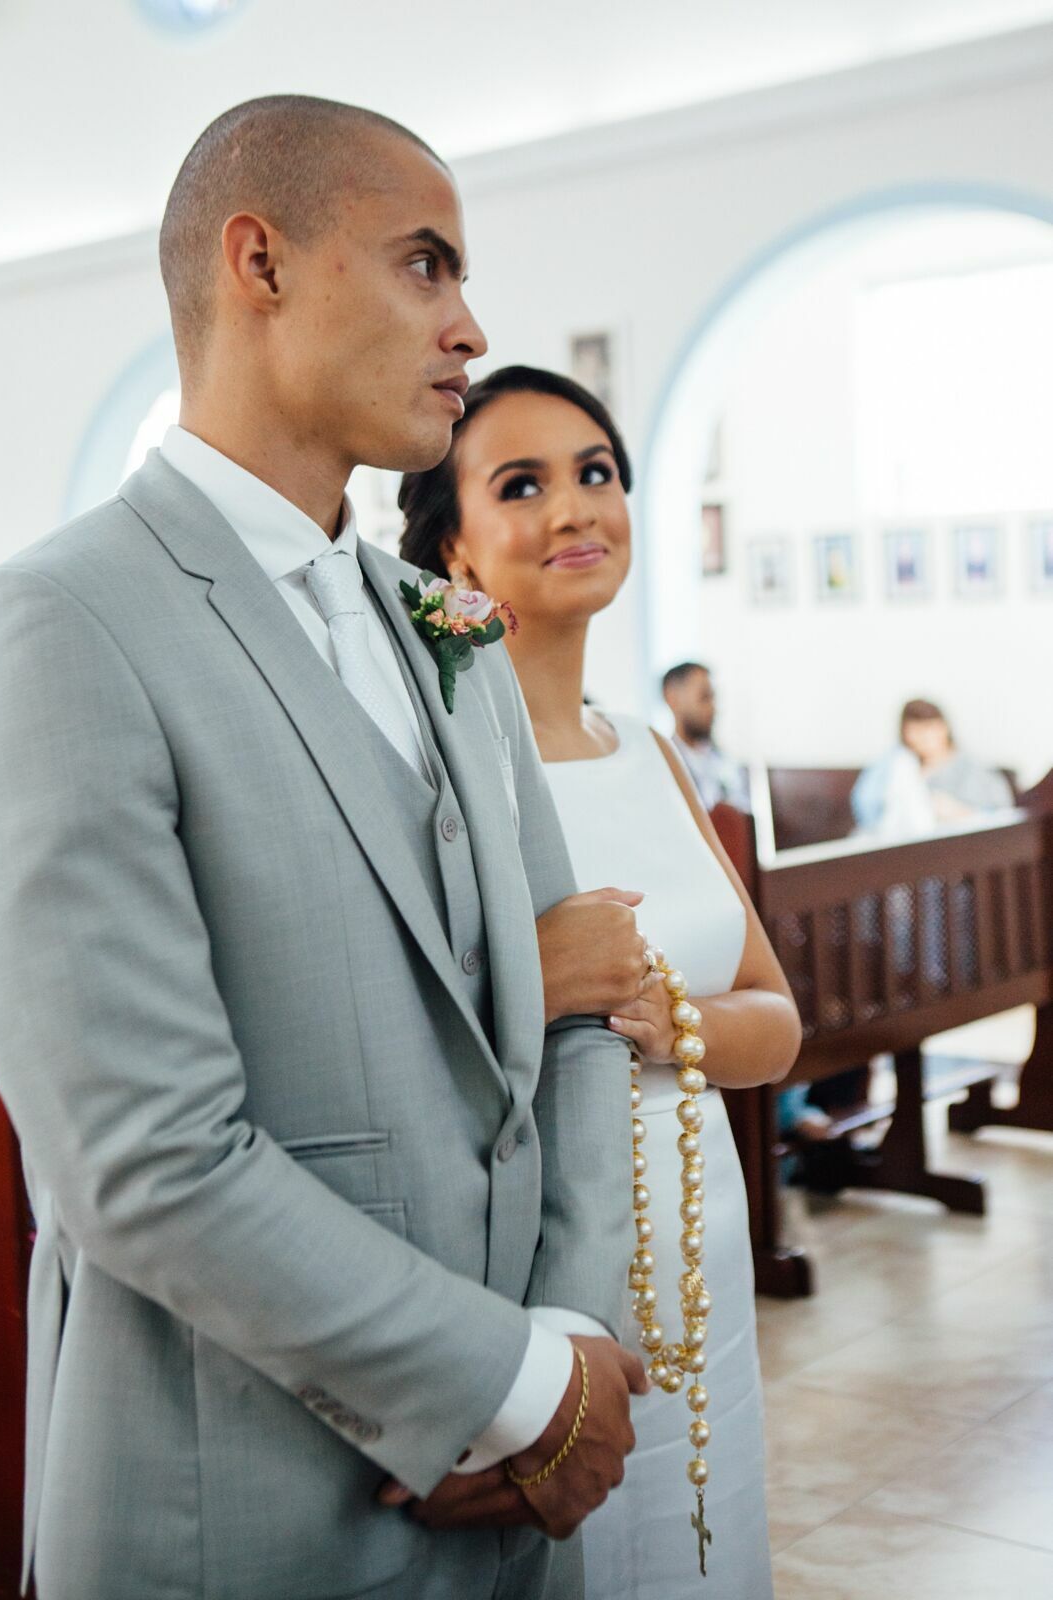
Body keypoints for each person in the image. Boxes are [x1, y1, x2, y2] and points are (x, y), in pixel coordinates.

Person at [0, 100, 652, 1600]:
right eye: (426, 265)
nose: (470, 326)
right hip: (243, 1502)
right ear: (259, 261)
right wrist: (506, 1385)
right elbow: (137, 1155)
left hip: (516, 1501)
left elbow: (587, 1003)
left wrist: (570, 1340)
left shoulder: (444, 623)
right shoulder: (62, 625)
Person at [399, 365, 802, 1600]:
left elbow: (777, 1023)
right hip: (546, 1265)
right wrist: (550, 987)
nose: (575, 508)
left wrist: (662, 1018)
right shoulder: (428, 772)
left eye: (596, 473)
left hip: (704, 1240)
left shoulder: (653, 753)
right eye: (522, 484)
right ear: (455, 545)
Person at [852, 698, 1015, 835]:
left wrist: (961, 813)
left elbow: (1001, 816)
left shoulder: (974, 770)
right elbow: (868, 810)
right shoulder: (898, 767)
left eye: (929, 728)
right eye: (914, 731)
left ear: (944, 728)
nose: (923, 738)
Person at [662, 661, 750, 812]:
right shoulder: (662, 765)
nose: (713, 708)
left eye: (713, 697)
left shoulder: (729, 764)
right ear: (672, 698)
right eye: (704, 697)